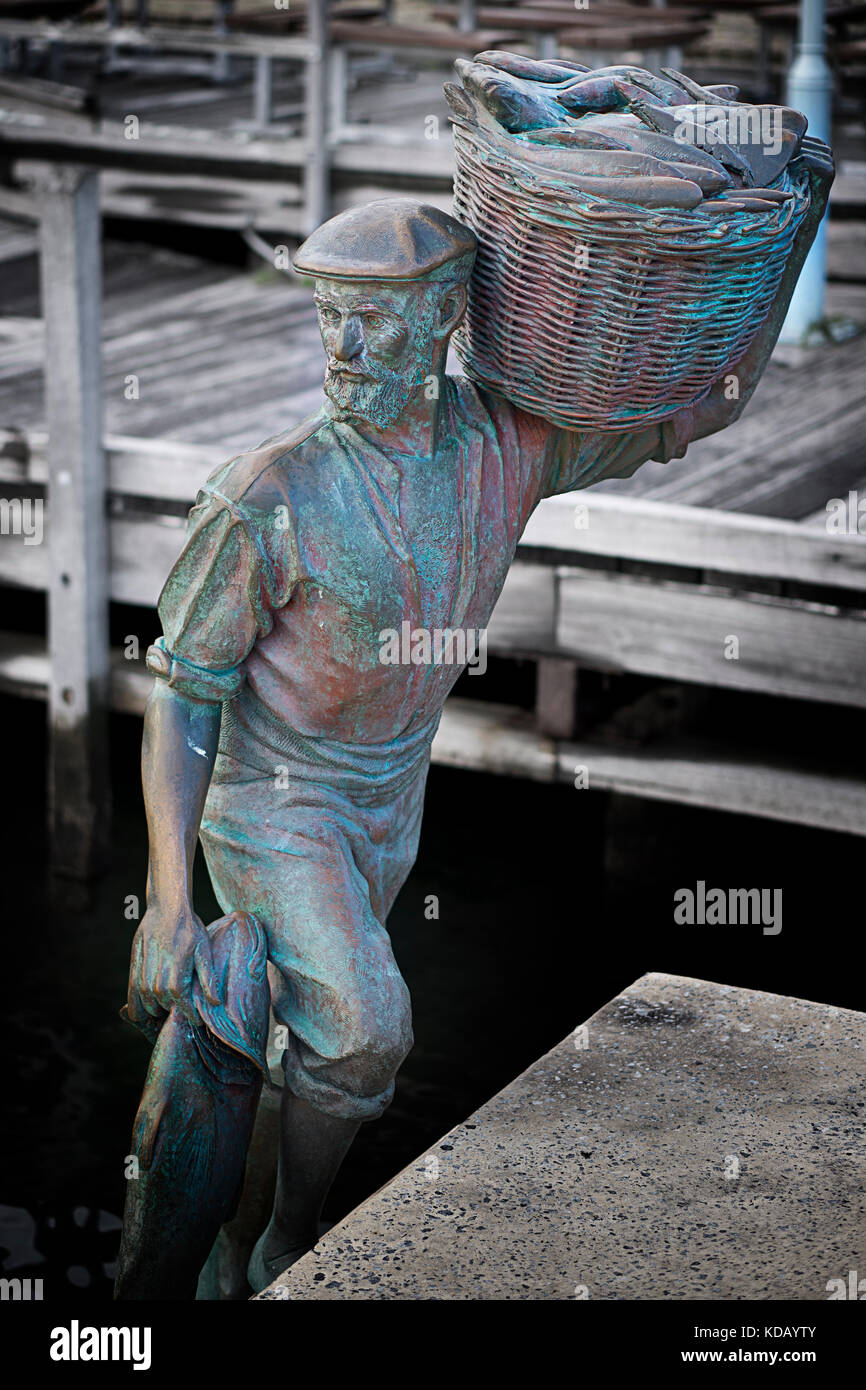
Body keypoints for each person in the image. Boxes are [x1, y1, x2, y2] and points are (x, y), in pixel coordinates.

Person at [116, 145, 833, 1300]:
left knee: (308, 1044)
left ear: (447, 315)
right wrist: (164, 898)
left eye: (372, 322)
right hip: (275, 799)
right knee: (364, 1029)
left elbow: (698, 412)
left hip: (392, 791)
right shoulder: (266, 496)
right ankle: (289, 1239)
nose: (341, 352)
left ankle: (232, 1257)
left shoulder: (504, 446)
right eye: (328, 320)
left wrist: (794, 232)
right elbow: (187, 689)